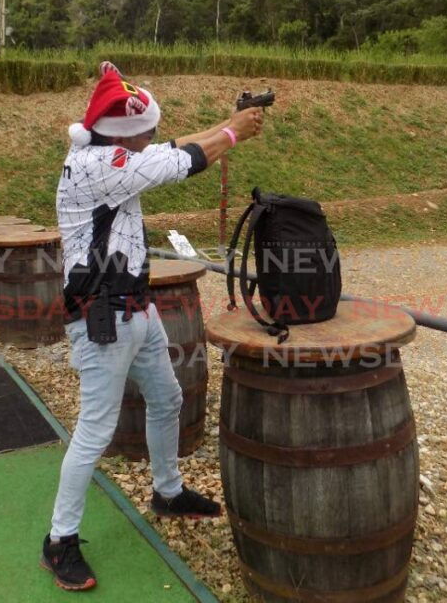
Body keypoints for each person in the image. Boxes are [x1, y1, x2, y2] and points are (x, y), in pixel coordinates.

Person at [41, 62, 263, 591]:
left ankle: (167, 492)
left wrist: (228, 124)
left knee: (166, 398)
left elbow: (174, 146)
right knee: (94, 430)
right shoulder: (106, 167)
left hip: (135, 309)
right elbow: (183, 160)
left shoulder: (108, 151)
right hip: (101, 319)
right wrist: (234, 134)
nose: (153, 136)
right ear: (123, 133)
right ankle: (59, 540)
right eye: (146, 129)